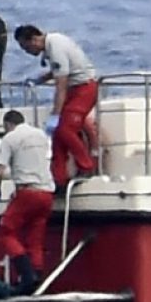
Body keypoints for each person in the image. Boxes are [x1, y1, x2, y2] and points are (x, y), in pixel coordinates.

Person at [14, 24, 97, 188]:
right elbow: (60, 71)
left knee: (65, 129)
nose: (27, 52)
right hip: (75, 88)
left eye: (26, 47)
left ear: (34, 40)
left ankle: (86, 166)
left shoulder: (55, 48)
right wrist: (40, 79)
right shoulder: (53, 43)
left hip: (84, 89)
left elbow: (61, 86)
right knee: (58, 137)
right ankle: (58, 177)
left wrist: (56, 114)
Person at [0, 110, 55, 295]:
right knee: (35, 239)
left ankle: (27, 276)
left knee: (6, 232)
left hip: (27, 193)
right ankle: (37, 277)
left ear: (8, 124)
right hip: (46, 193)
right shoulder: (41, 135)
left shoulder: (10, 138)